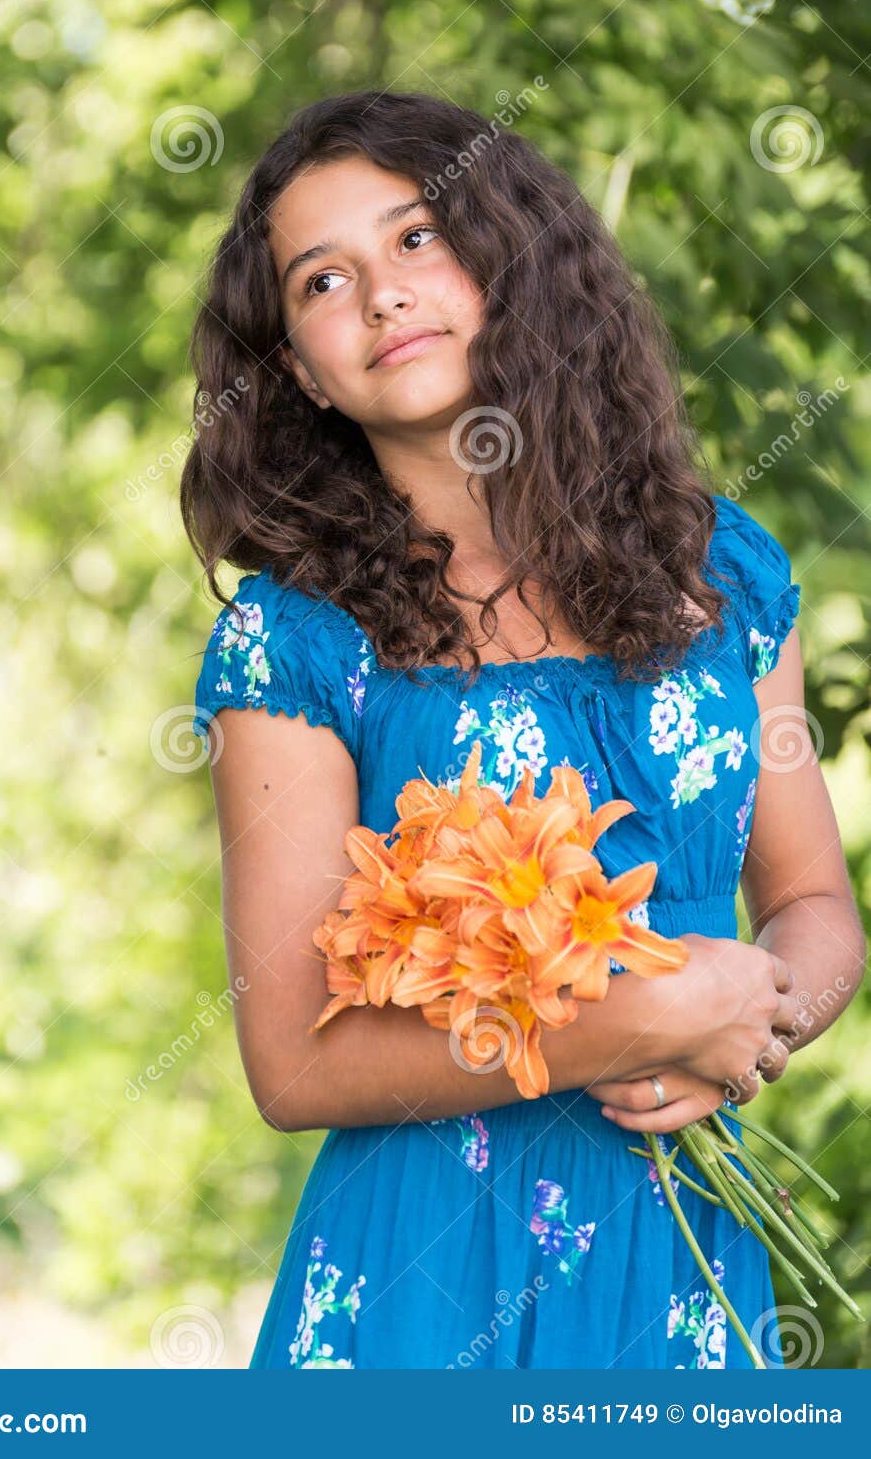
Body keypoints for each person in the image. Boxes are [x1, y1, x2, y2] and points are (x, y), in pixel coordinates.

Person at [179, 90, 865, 1370]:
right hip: (417, 1290)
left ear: (510, 252)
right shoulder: (296, 643)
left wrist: (752, 1025)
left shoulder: (723, 575)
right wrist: (647, 1019)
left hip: (685, 1267)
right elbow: (293, 1061)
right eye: (323, 281)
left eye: (419, 239)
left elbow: (817, 903)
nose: (382, 296)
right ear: (296, 369)